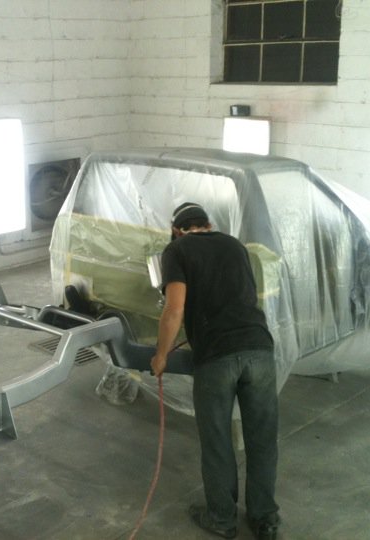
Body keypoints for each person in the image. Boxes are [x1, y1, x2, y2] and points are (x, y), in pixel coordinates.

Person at [150, 202, 281, 540]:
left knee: (218, 440)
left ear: (177, 230)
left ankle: (222, 519)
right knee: (262, 439)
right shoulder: (235, 245)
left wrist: (161, 355)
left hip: (217, 357)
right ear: (208, 224)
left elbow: (174, 308)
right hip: (259, 349)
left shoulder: (176, 250)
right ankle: (265, 519)